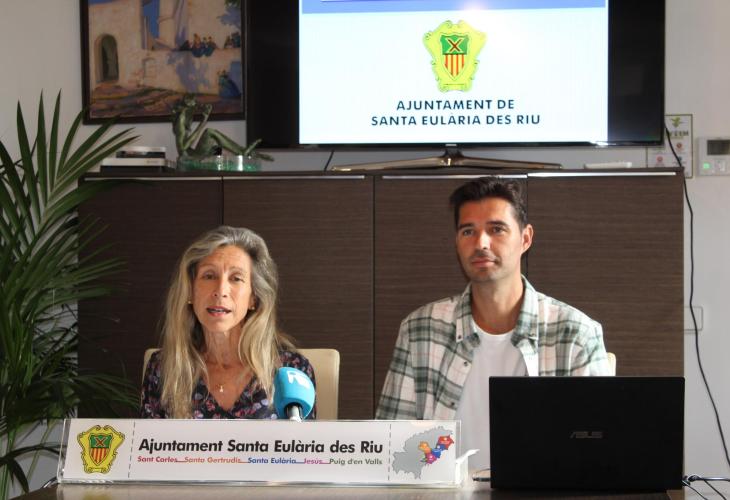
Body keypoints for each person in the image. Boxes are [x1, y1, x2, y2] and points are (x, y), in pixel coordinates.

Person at [375, 178, 610, 469]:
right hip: (443, 490)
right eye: (468, 231)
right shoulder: (420, 330)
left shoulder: (575, 334)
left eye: (496, 229)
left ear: (525, 238)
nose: (481, 243)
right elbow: (390, 451)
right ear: (457, 242)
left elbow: (597, 457)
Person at [140, 226, 315, 419]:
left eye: (236, 278)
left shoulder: (291, 372)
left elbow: (305, 438)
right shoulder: (163, 369)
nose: (221, 290)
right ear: (189, 291)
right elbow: (146, 439)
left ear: (254, 297)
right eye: (209, 276)